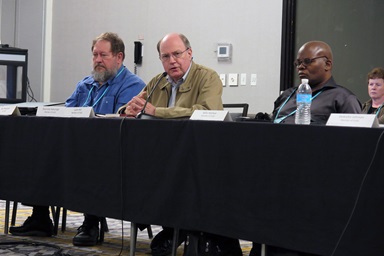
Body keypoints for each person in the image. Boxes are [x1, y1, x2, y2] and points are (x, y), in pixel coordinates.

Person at [9, 32, 146, 246]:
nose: (98, 60)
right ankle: (40, 217)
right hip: (77, 147)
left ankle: (91, 223)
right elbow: (66, 113)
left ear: (119, 57)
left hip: (111, 152)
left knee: (90, 161)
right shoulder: (85, 84)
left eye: (103, 55)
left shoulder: (133, 85)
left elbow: (123, 120)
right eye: (94, 55)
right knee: (43, 153)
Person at [119, 33, 242, 256]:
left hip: (198, 156)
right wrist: (126, 110)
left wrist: (157, 112)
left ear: (190, 53)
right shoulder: (157, 81)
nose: (172, 61)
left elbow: (208, 112)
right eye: (165, 56)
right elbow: (138, 104)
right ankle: (170, 227)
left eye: (177, 54)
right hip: (163, 156)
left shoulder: (208, 77)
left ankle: (184, 230)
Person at [250, 41, 361, 256]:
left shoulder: (343, 98)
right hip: (278, 179)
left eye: (308, 61)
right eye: (298, 63)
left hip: (316, 186)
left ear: (328, 64)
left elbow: (355, 148)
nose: (301, 67)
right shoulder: (288, 95)